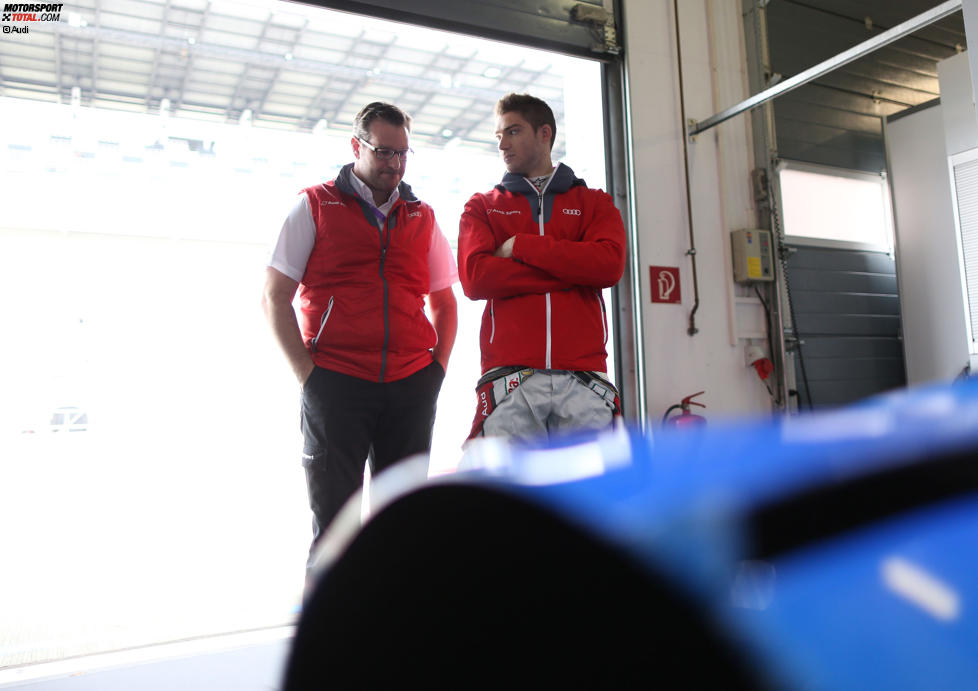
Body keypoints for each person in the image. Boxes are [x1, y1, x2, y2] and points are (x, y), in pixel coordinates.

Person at [262, 102, 458, 567]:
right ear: (357, 146)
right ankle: (331, 637)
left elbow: (445, 303)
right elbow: (275, 297)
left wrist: (436, 371)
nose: (395, 163)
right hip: (337, 384)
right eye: (384, 152)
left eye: (403, 154)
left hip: (411, 386)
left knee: (404, 525)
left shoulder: (422, 216)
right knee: (335, 530)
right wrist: (310, 377)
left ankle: (395, 634)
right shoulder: (314, 205)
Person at [458, 93, 625, 442]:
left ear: (545, 133)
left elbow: (608, 266)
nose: (502, 143)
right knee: (506, 496)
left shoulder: (594, 202)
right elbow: (476, 280)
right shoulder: (482, 207)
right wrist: (572, 272)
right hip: (509, 379)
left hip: (584, 379)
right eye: (499, 135)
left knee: (588, 496)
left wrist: (522, 246)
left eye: (514, 131)